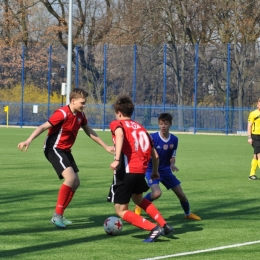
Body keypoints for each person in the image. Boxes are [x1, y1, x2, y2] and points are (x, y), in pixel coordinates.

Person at [17, 88, 114, 228]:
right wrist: (28, 140)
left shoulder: (80, 115)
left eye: (85, 103)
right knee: (71, 179)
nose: (84, 105)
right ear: (73, 101)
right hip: (54, 149)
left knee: (76, 183)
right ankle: (57, 216)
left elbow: (89, 131)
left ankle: (60, 215)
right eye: (82, 102)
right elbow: (43, 127)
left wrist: (105, 146)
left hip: (65, 150)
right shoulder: (62, 113)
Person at [107, 95, 174, 243]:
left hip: (127, 170)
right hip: (140, 171)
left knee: (121, 210)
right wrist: (155, 171)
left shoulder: (117, 124)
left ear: (118, 112)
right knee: (138, 199)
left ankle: (154, 228)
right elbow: (155, 155)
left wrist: (117, 159)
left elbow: (119, 134)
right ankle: (164, 224)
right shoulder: (141, 128)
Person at [134, 113, 201, 221]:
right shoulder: (152, 138)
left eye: (165, 123)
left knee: (182, 195)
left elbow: (172, 156)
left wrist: (172, 164)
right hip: (151, 169)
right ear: (158, 125)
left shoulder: (174, 140)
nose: (163, 126)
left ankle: (188, 213)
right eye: (161, 124)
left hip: (165, 170)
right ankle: (139, 205)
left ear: (170, 124)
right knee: (156, 193)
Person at [247, 98, 260, 180]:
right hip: (255, 136)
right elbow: (249, 126)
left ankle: (252, 175)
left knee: (256, 156)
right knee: (259, 155)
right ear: (257, 104)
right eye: (259, 104)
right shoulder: (253, 113)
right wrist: (249, 137)